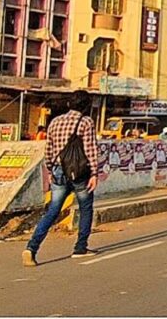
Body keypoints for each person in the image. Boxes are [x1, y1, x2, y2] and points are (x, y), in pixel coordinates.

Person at [24, 91, 99, 266]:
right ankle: (80, 248)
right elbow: (90, 149)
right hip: (80, 172)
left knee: (52, 211)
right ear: (86, 106)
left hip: (58, 171)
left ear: (68, 104)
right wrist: (94, 173)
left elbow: (48, 150)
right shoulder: (86, 122)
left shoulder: (55, 122)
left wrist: (50, 170)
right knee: (85, 208)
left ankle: (31, 248)